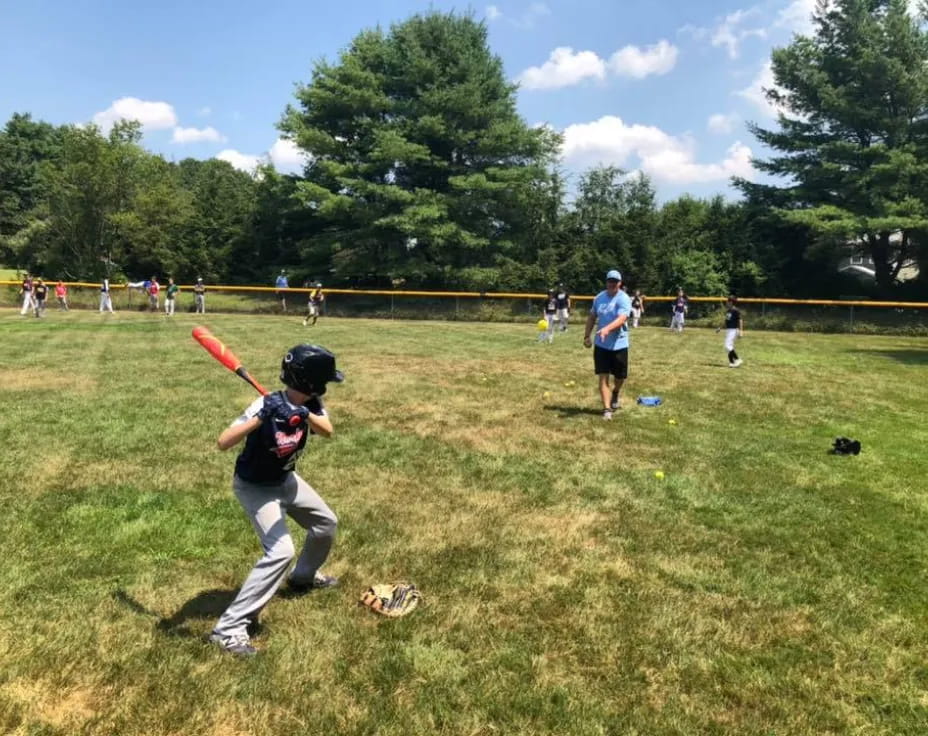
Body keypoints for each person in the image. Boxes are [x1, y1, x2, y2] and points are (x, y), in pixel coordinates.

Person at [210, 344, 344, 656]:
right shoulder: (265, 404)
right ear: (312, 381)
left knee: (325, 523)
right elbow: (223, 442)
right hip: (256, 487)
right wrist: (264, 416)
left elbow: (327, 431)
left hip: (286, 479)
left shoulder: (312, 401)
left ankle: (303, 577)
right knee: (281, 551)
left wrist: (302, 413)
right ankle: (228, 629)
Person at [584, 270, 632, 421]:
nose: (612, 284)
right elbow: (592, 317)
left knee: (620, 376)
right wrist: (587, 335)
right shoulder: (599, 298)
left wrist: (606, 329)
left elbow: (622, 318)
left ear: (620, 283)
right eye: (609, 281)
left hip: (619, 344)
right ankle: (607, 409)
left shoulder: (624, 298)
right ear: (606, 282)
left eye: (615, 281)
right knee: (603, 376)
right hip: (601, 345)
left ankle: (616, 392)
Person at [719, 295, 744, 367]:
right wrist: (720, 328)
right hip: (729, 330)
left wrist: (741, 331)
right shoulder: (728, 311)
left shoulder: (736, 310)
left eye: (727, 301)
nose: (726, 302)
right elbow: (726, 321)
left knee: (727, 346)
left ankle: (738, 359)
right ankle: (732, 362)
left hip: (733, 330)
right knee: (729, 346)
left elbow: (740, 320)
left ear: (731, 302)